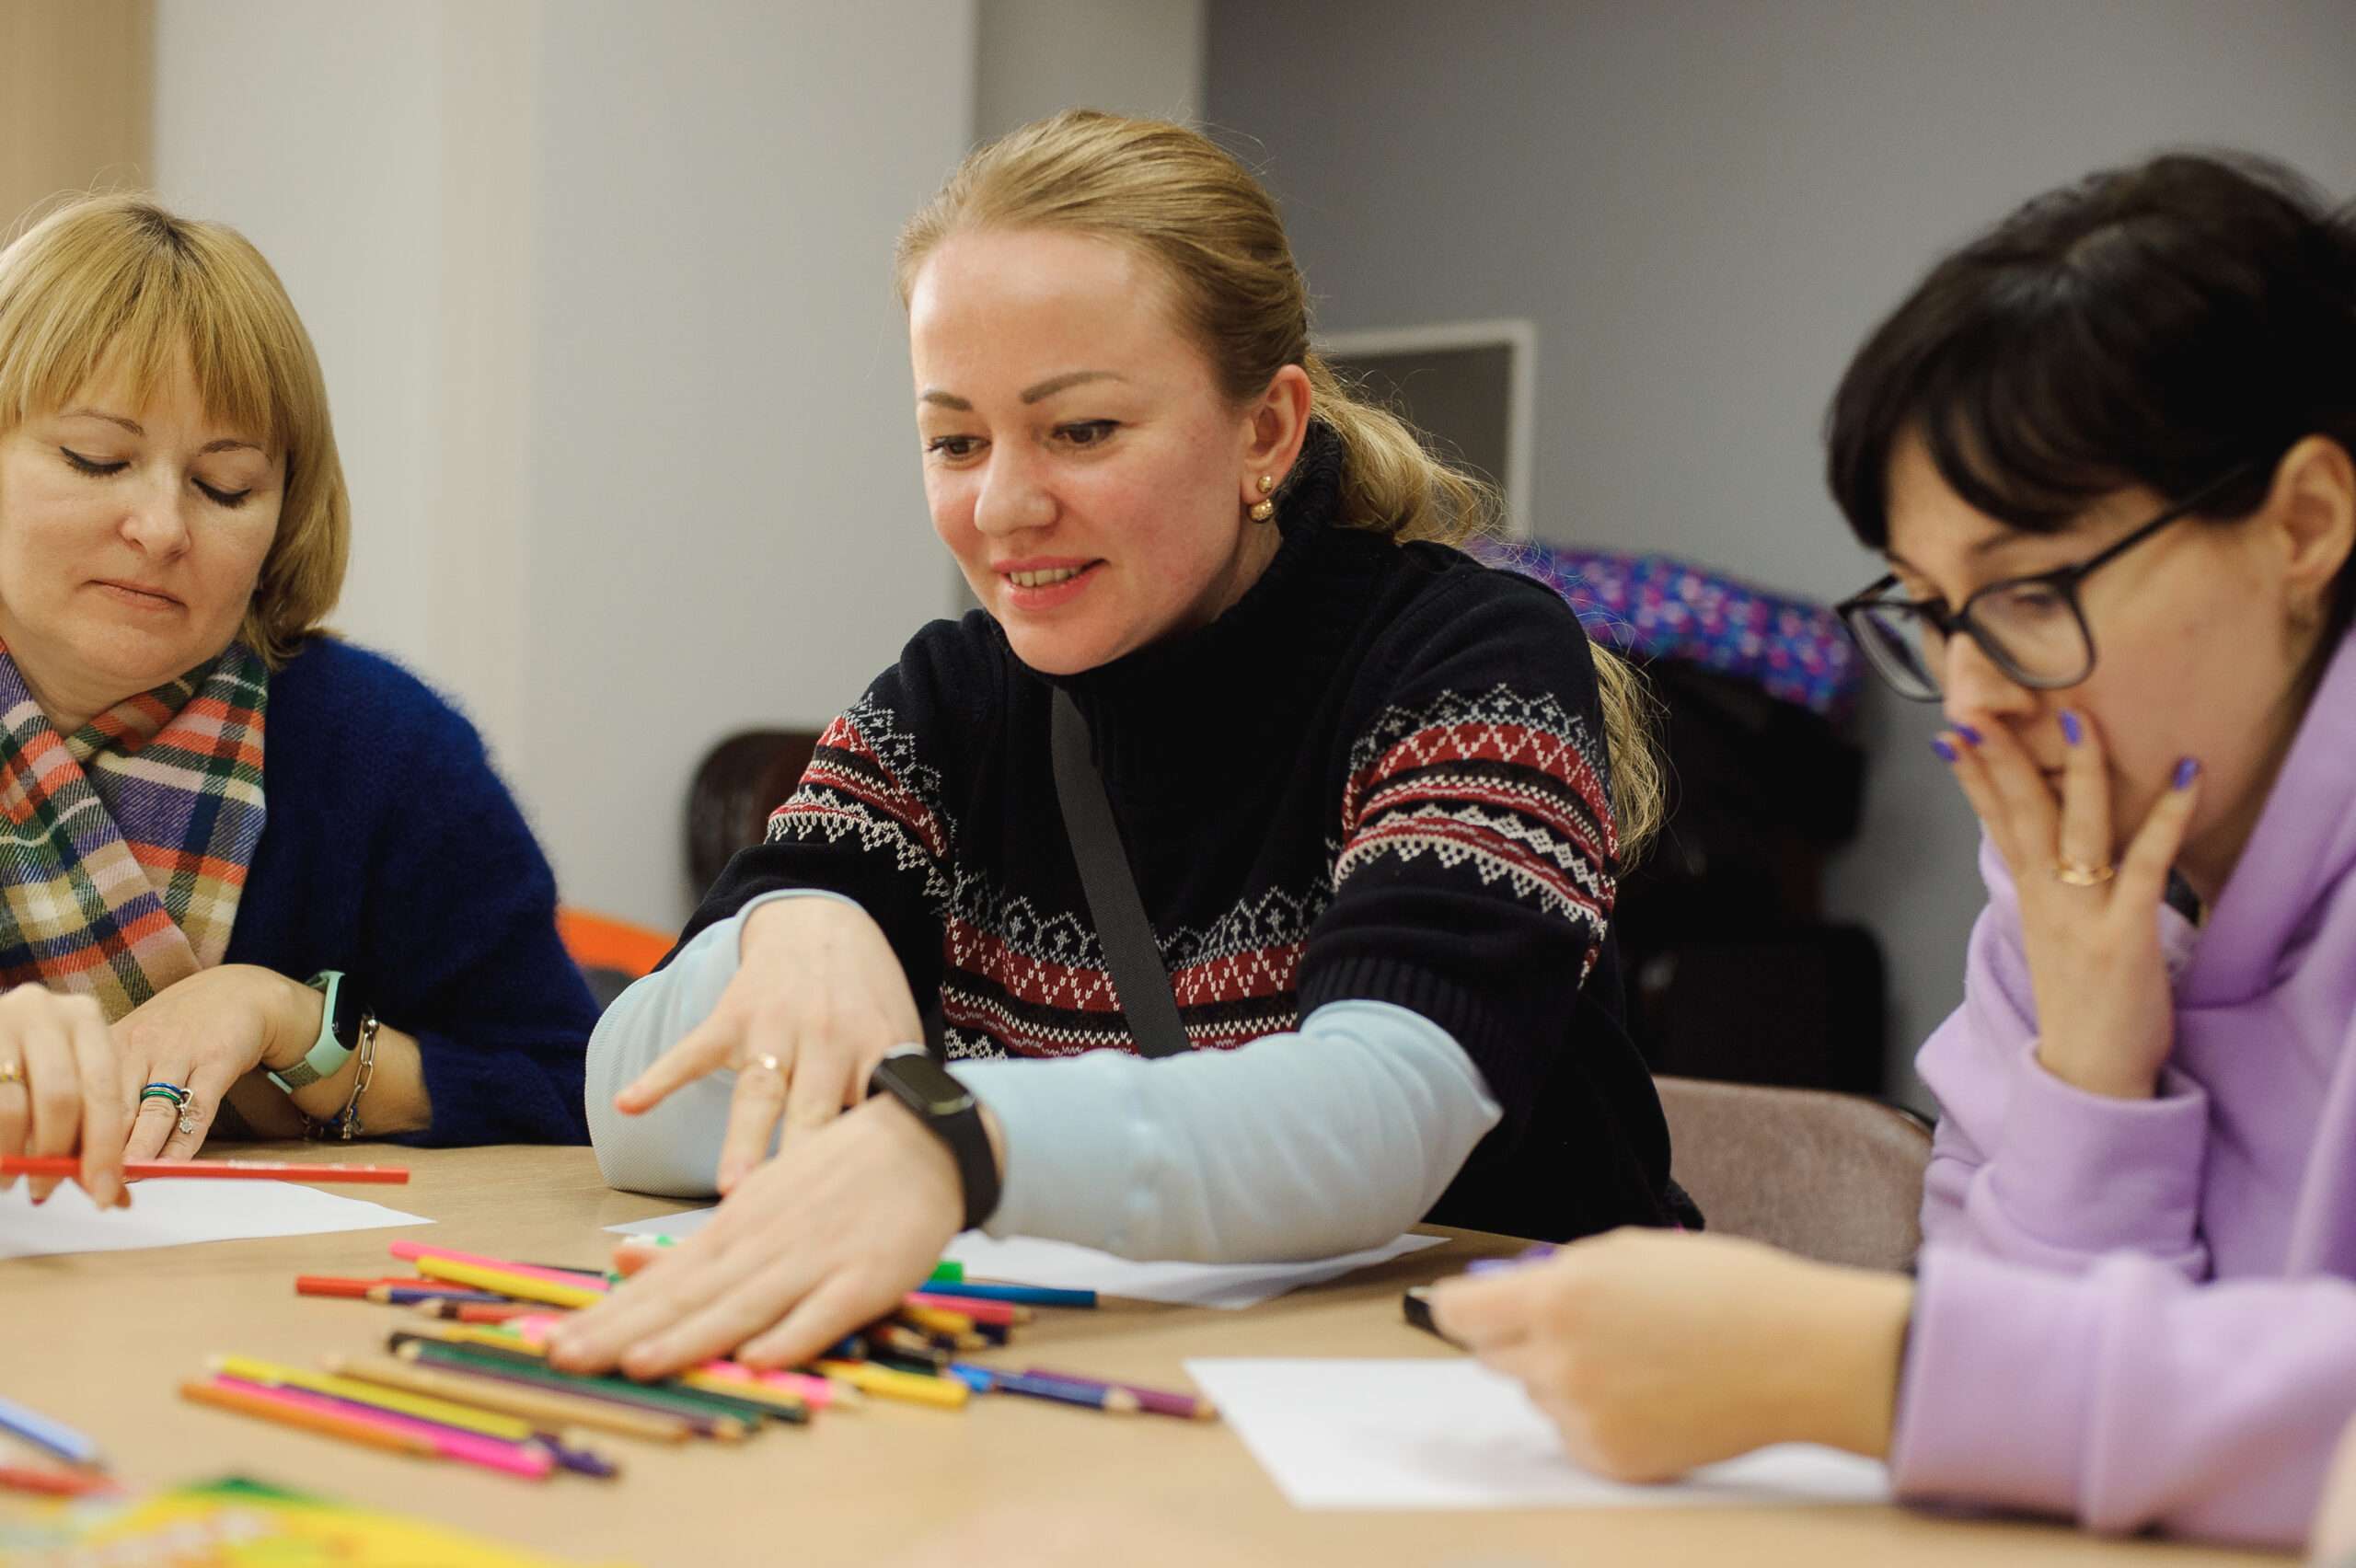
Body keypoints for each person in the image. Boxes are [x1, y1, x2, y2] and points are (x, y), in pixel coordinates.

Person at [553, 110, 1686, 1381]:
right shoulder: (955, 696)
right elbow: (632, 1112)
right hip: (1144, 1396)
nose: (1003, 507)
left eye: (1082, 430)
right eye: (956, 440)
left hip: (1507, 1407)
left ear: (1266, 431)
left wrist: (951, 1139)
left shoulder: (1465, 652)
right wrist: (800, 924)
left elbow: (1386, 1117)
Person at [1430, 151, 2356, 1549]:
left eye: (2032, 592)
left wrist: (1863, 1365)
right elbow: (2042, 1459)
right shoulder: (2066, 874)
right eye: (1932, 610)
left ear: (2303, 524)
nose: (1975, 693)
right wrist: (2092, 1077)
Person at [0, 195, 595, 1209]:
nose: (159, 526)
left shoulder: (387, 751)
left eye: (226, 486)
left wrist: (292, 1025)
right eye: (97, 460)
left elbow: (582, 1088)